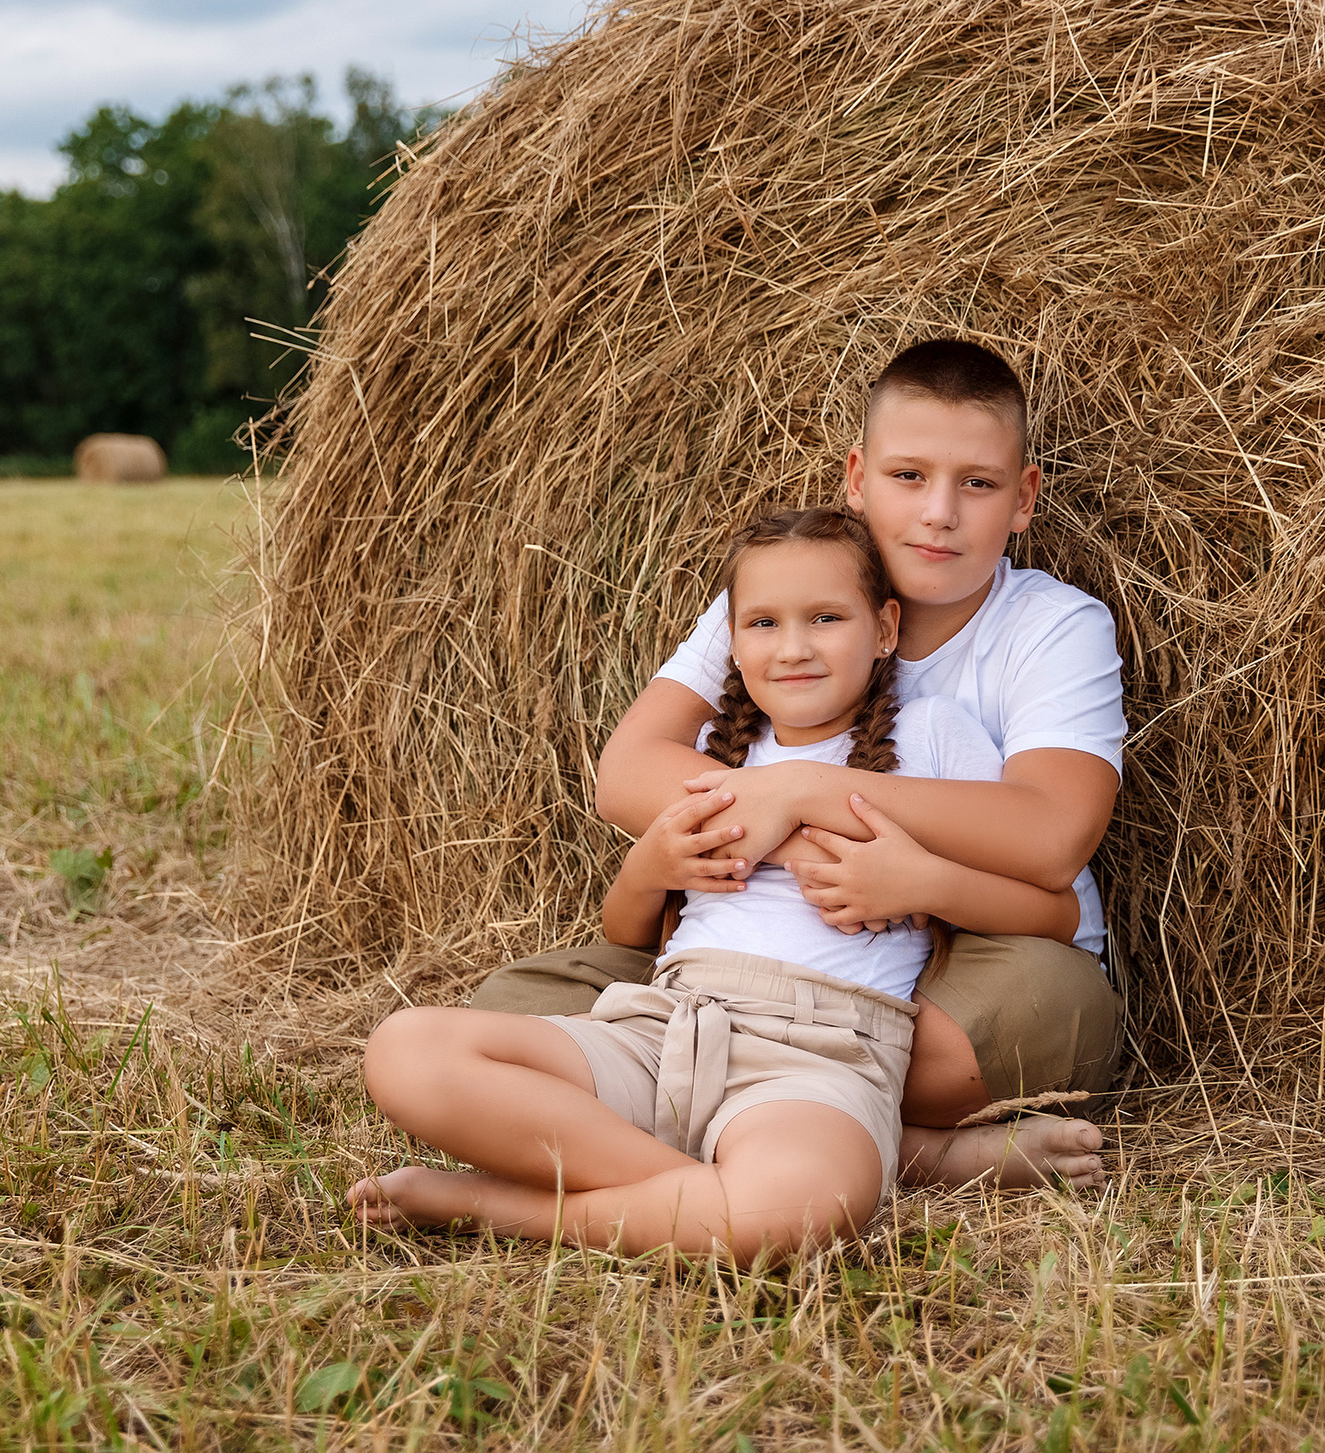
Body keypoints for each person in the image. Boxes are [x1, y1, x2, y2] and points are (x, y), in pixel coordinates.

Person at [469, 339, 1124, 1192]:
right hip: (751, 967)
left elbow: (1050, 838)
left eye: (978, 483)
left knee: (1046, 1004)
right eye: (907, 476)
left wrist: (805, 790)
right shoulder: (785, 594)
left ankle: (720, 1120)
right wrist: (787, 839)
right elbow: (627, 771)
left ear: (1023, 498)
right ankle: (909, 1150)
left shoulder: (1052, 626)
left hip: (972, 958)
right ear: (856, 478)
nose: (938, 514)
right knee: (503, 1009)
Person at [347, 509, 1079, 1259]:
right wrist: (648, 867)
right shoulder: (712, 756)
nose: (793, 647)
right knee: (405, 1050)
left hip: (821, 1055)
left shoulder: (933, 737)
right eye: (763, 622)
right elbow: (626, 935)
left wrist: (922, 881)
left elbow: (1054, 909)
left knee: (791, 1210)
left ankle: (488, 1204)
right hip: (664, 1023)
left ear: (886, 628)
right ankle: (817, 1171)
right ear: (730, 640)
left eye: (826, 617)